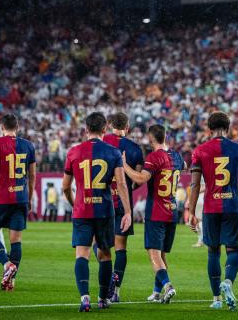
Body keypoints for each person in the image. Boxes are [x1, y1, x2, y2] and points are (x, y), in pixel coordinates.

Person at [62, 112, 132, 312]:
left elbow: (66, 186)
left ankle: (85, 297)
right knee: (105, 255)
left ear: (86, 130)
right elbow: (120, 184)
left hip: (82, 210)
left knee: (82, 254)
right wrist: (127, 212)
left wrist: (73, 202)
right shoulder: (113, 152)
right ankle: (102, 299)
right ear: (104, 130)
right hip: (104, 210)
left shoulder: (74, 152)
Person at [188, 111, 238, 310]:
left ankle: (216, 299)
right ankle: (228, 281)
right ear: (229, 128)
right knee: (233, 250)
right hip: (232, 205)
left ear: (208, 129)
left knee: (212, 252)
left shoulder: (200, 151)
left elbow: (195, 185)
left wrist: (190, 211)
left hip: (211, 207)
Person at [122, 124, 185, 305]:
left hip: (156, 211)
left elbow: (141, 178)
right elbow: (186, 166)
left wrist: (124, 164)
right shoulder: (177, 156)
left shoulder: (154, 157)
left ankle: (168, 286)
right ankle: (157, 292)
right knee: (162, 254)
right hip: (172, 212)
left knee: (154, 254)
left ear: (151, 139)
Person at [0, 114, 37, 291]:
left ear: (2, 128)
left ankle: (7, 265)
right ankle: (11, 282)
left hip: (2, 197)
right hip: (21, 197)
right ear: (18, 127)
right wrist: (29, 198)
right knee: (16, 240)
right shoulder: (29, 145)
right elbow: (33, 175)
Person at [101, 112, 144, 302]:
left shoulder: (101, 142)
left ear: (110, 125)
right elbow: (138, 181)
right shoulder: (135, 149)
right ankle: (116, 290)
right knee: (121, 248)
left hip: (100, 201)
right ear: (127, 127)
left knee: (100, 245)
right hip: (122, 202)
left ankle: (108, 279)